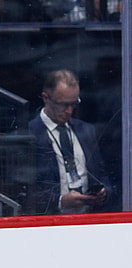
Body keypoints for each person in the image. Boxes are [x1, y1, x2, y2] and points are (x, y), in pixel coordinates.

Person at [27, 69, 109, 215]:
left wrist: (103, 192)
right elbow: (26, 189)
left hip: (88, 216)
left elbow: (102, 175)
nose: (69, 111)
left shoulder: (86, 131)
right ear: (46, 98)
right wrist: (60, 202)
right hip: (49, 219)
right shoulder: (30, 133)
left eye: (74, 104)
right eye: (63, 105)